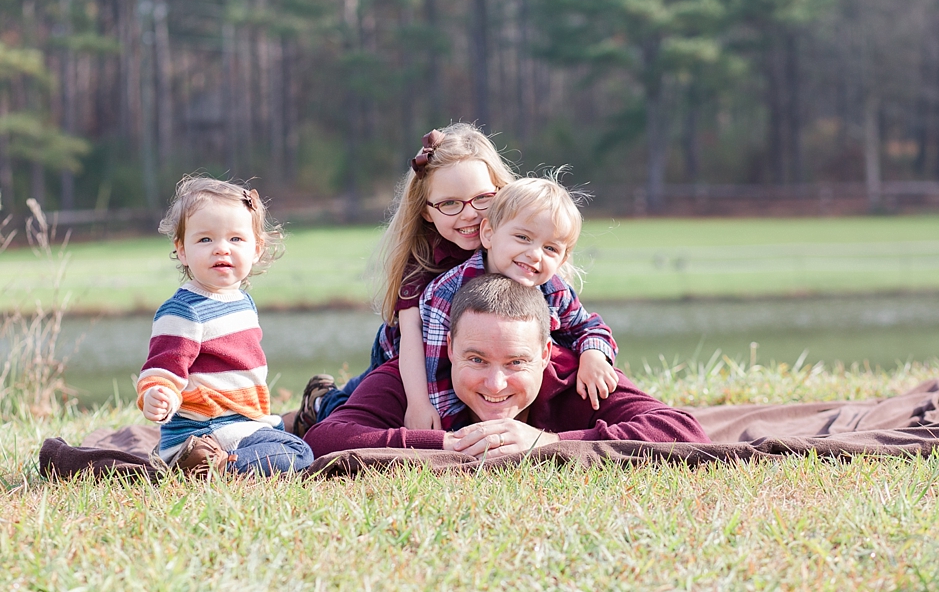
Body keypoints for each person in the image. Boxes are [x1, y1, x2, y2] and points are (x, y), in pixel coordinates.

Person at [302, 275, 709, 457]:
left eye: (516, 362)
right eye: (476, 359)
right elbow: (325, 439)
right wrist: (448, 443)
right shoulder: (413, 378)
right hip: (355, 394)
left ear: (547, 354)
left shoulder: (575, 375)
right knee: (323, 410)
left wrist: (548, 442)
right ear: (447, 348)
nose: (495, 383)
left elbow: (682, 431)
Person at [293, 122, 517, 436]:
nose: (469, 214)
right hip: (405, 357)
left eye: (483, 198)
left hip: (460, 355)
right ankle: (318, 404)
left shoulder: (512, 244)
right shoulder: (424, 259)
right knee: (362, 401)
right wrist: (418, 402)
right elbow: (411, 337)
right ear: (426, 212)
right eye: (450, 203)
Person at [136, 176, 313, 477]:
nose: (221, 249)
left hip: (236, 422)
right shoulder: (184, 311)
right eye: (205, 239)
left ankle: (231, 455)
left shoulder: (241, 301)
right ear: (182, 251)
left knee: (289, 436)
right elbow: (162, 368)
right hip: (203, 430)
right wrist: (157, 394)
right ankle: (214, 466)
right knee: (299, 453)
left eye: (235, 239)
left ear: (256, 249)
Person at [420, 173, 620, 426]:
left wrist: (594, 354)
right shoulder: (446, 293)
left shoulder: (554, 290)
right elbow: (437, 374)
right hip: (400, 358)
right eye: (523, 238)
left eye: (550, 248)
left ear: (562, 259)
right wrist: (460, 435)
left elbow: (588, 327)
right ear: (489, 234)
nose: (535, 254)